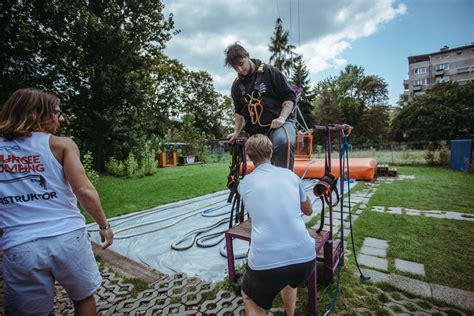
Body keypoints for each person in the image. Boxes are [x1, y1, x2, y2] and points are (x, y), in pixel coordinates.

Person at [0, 88, 114, 315]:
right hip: (68, 238)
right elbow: (84, 190)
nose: (60, 118)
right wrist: (104, 225)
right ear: (36, 113)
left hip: (20, 246)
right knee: (83, 298)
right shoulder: (61, 145)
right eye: (56, 112)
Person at [237, 134, 316, 315]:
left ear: (248, 156)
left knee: (249, 296)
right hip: (304, 258)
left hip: (266, 263)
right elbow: (308, 210)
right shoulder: (290, 175)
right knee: (288, 281)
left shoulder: (244, 184)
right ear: (271, 152)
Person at [225, 43, 297, 170]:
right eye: (236, 68)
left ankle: (284, 183)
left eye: (241, 64)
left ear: (247, 56)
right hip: (256, 131)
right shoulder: (236, 86)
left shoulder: (271, 72)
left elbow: (289, 98)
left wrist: (281, 118)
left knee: (282, 142)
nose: (240, 70)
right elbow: (239, 112)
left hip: (279, 123)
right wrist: (236, 132)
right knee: (255, 152)